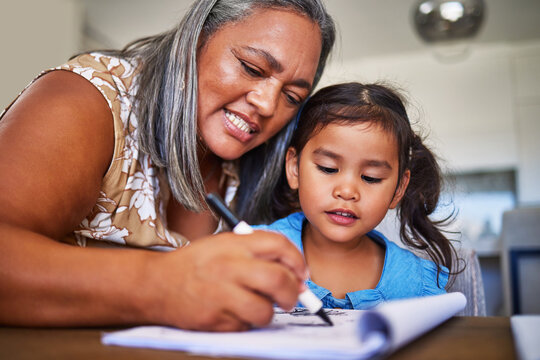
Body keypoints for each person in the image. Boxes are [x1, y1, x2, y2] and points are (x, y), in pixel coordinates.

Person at [0, 0, 335, 331]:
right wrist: (158, 283)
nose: (266, 104)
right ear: (195, 40)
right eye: (251, 68)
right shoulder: (89, 100)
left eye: (292, 97)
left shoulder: (266, 163)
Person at [254, 82, 459, 309]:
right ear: (294, 168)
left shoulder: (418, 286)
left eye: (371, 178)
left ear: (398, 189)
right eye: (328, 168)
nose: (347, 192)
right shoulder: (252, 252)